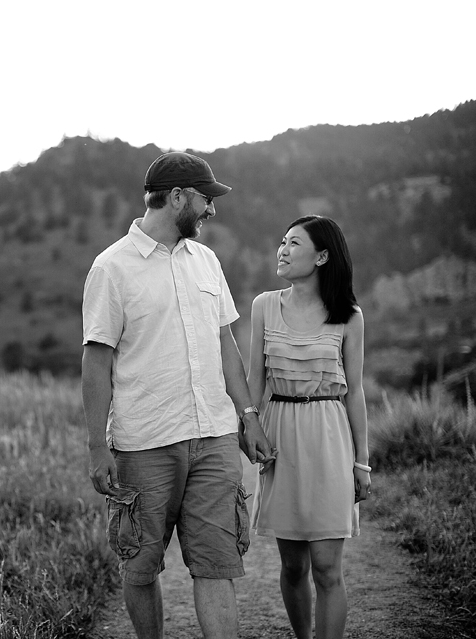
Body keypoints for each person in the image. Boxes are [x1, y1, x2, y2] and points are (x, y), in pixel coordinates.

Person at [82, 151, 274, 639]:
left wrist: (247, 415)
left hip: (213, 437)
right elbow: (96, 361)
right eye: (206, 199)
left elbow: (226, 344)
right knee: (141, 566)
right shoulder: (111, 268)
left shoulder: (207, 262)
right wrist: (95, 445)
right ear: (177, 197)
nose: (212, 210)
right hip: (145, 443)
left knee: (218, 564)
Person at [246, 215, 372, 639]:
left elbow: (354, 392)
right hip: (281, 434)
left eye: (294, 243)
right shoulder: (264, 305)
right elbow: (254, 382)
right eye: (282, 241)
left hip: (329, 435)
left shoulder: (348, 316)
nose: (282, 249)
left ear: (322, 256)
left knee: (326, 568)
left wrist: (362, 461)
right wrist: (250, 428)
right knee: (293, 565)